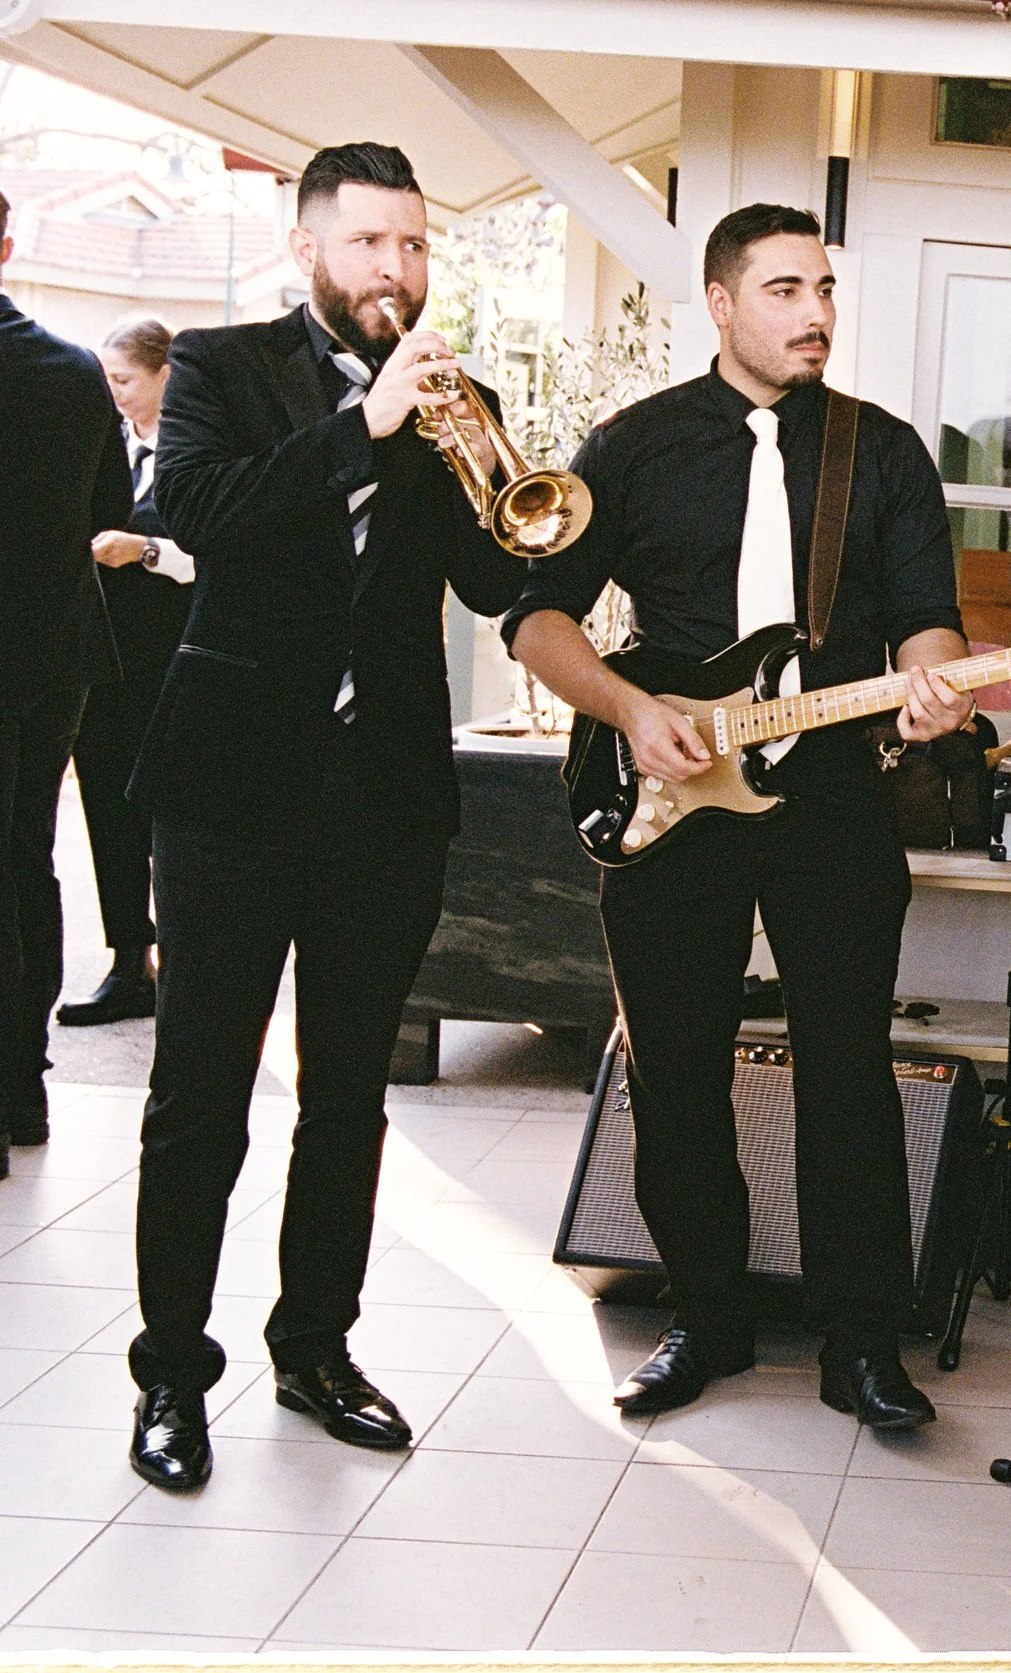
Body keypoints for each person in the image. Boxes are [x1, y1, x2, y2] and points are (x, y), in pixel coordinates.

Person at [508, 203, 969, 1434]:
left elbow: (928, 619)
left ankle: (859, 1337)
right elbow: (538, 617)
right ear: (720, 303)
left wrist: (930, 687)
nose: (814, 312)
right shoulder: (635, 445)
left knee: (848, 1069)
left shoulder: (884, 453)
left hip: (829, 792)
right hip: (667, 789)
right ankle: (704, 1316)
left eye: (821, 288)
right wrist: (627, 706)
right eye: (782, 290)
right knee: (673, 1071)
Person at [127, 143, 523, 1491]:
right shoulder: (223, 366)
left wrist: (504, 480)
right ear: (310, 250)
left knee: (349, 1097)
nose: (397, 273)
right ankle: (172, 1375)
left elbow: (487, 577)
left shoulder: (448, 395)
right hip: (231, 790)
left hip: (386, 798)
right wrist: (362, 427)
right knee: (199, 1101)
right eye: (371, 246)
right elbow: (200, 512)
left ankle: (316, 1346)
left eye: (415, 247)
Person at [0, 189, 133, 1164]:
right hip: (57, 649)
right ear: (9, 241)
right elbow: (109, 507)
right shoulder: (75, 367)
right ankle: (25, 1081)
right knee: (27, 855)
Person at [60, 318, 197, 1029]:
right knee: (108, 815)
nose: (112, 395)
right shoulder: (104, 448)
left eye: (123, 381)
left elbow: (211, 556)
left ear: (165, 373)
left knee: (168, 818)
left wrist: (143, 549)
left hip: (173, 662)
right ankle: (127, 960)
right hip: (107, 663)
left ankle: (183, 959)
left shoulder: (196, 447)